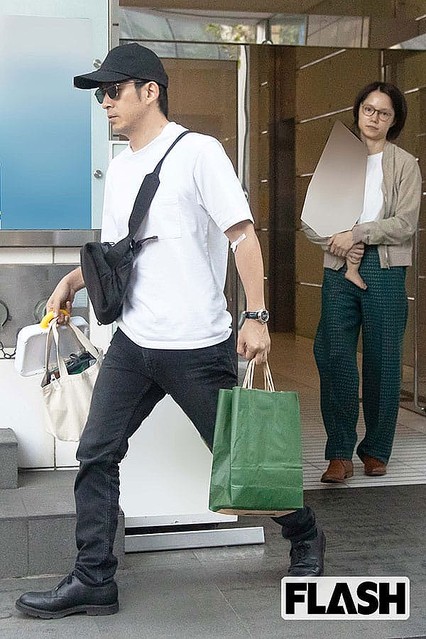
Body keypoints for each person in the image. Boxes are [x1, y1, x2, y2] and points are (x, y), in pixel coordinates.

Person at [16, 43, 325, 619]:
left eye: (113, 91)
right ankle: (93, 579)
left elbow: (243, 237)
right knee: (96, 452)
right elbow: (118, 251)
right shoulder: (121, 167)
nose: (105, 102)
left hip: (195, 344)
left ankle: (304, 532)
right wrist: (71, 281)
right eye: (100, 94)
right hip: (134, 342)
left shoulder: (199, 152)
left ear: (150, 91)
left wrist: (257, 316)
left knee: (240, 457)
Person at [303, 81, 422, 483]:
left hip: (385, 269)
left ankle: (376, 449)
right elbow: (311, 219)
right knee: (333, 354)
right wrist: (336, 242)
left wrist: (358, 233)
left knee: (383, 360)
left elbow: (405, 223)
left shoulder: (405, 164)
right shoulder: (339, 158)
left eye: (384, 113)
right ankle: (339, 452)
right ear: (358, 112)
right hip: (338, 267)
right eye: (369, 109)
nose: (374, 118)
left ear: (394, 120)